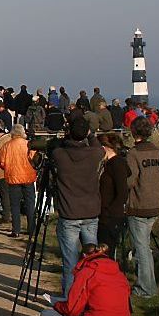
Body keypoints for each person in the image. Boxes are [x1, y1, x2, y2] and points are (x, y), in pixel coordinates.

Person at [51, 118, 104, 297]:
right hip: (90, 212)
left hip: (69, 213)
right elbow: (99, 147)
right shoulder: (95, 154)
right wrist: (91, 134)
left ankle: (70, 298)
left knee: (70, 261)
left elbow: (55, 146)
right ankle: (91, 296)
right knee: (92, 259)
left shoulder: (60, 155)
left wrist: (65, 136)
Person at [40, 243, 131, 316]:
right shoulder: (120, 275)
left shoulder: (87, 272)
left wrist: (57, 305)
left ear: (83, 255)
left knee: (46, 314)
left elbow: (71, 310)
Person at [124, 116, 159, 298]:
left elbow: (130, 180)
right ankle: (149, 284)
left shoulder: (133, 154)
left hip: (139, 205)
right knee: (145, 246)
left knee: (141, 247)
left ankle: (146, 288)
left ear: (134, 132)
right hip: (156, 204)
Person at [0, 125, 37, 238]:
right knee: (30, 203)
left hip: (13, 177)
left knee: (15, 205)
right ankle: (31, 229)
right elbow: (34, 158)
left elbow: (1, 161)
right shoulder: (28, 144)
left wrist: (9, 168)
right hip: (28, 176)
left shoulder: (6, 146)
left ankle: (16, 230)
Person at [96, 132, 129, 257]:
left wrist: (109, 213)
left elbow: (122, 192)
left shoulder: (116, 164)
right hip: (107, 214)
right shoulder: (110, 164)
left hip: (111, 216)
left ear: (104, 148)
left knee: (106, 251)